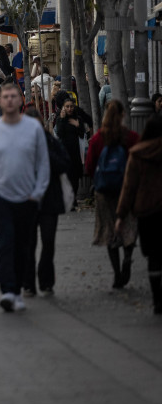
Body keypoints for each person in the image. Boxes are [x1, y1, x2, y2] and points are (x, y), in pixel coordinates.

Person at [0, 81, 51, 312]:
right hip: (1, 199)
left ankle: (17, 290)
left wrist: (37, 192)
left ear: (20, 100)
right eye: (5, 96)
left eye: (13, 96)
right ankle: (8, 290)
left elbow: (43, 163)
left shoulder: (33, 128)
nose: (9, 100)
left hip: (27, 199)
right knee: (5, 243)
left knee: (22, 247)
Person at [85, 99, 140, 289]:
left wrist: (100, 180)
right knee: (129, 226)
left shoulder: (99, 138)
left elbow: (90, 165)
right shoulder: (131, 137)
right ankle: (128, 258)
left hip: (104, 192)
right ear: (123, 115)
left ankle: (117, 273)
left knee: (109, 231)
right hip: (127, 190)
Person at [117, 113, 162, 313]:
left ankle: (157, 300)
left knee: (153, 256)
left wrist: (120, 215)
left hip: (146, 211)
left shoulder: (137, 154)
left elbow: (129, 187)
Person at [22, 107, 68, 297]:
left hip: (49, 200)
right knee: (28, 244)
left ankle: (46, 280)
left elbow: (65, 164)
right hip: (27, 202)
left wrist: (44, 153)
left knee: (48, 242)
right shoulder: (19, 145)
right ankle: (28, 284)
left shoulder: (50, 142)